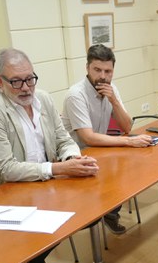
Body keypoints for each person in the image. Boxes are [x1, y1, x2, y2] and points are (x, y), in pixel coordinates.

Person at [0, 48, 99, 263]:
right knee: (57, 215)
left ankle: (34, 256)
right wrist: (56, 169)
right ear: (0, 81)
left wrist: (72, 159)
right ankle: (29, 255)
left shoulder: (43, 99)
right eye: (16, 82)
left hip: (45, 182)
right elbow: (7, 169)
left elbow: (63, 139)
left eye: (30, 79)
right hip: (7, 191)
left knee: (89, 211)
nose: (26, 88)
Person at [61, 44, 152, 234]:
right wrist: (129, 141)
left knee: (128, 169)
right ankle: (99, 213)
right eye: (97, 70)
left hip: (99, 151)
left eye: (108, 71)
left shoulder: (111, 89)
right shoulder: (76, 95)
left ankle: (110, 212)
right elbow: (87, 138)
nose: (102, 76)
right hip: (77, 157)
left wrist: (114, 101)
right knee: (118, 168)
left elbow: (127, 127)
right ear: (87, 68)